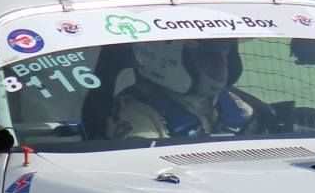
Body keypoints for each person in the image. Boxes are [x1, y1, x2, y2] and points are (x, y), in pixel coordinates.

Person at [106, 39, 255, 140]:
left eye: (225, 52)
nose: (221, 62)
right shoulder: (139, 114)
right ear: (170, 59)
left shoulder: (234, 104)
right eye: (208, 54)